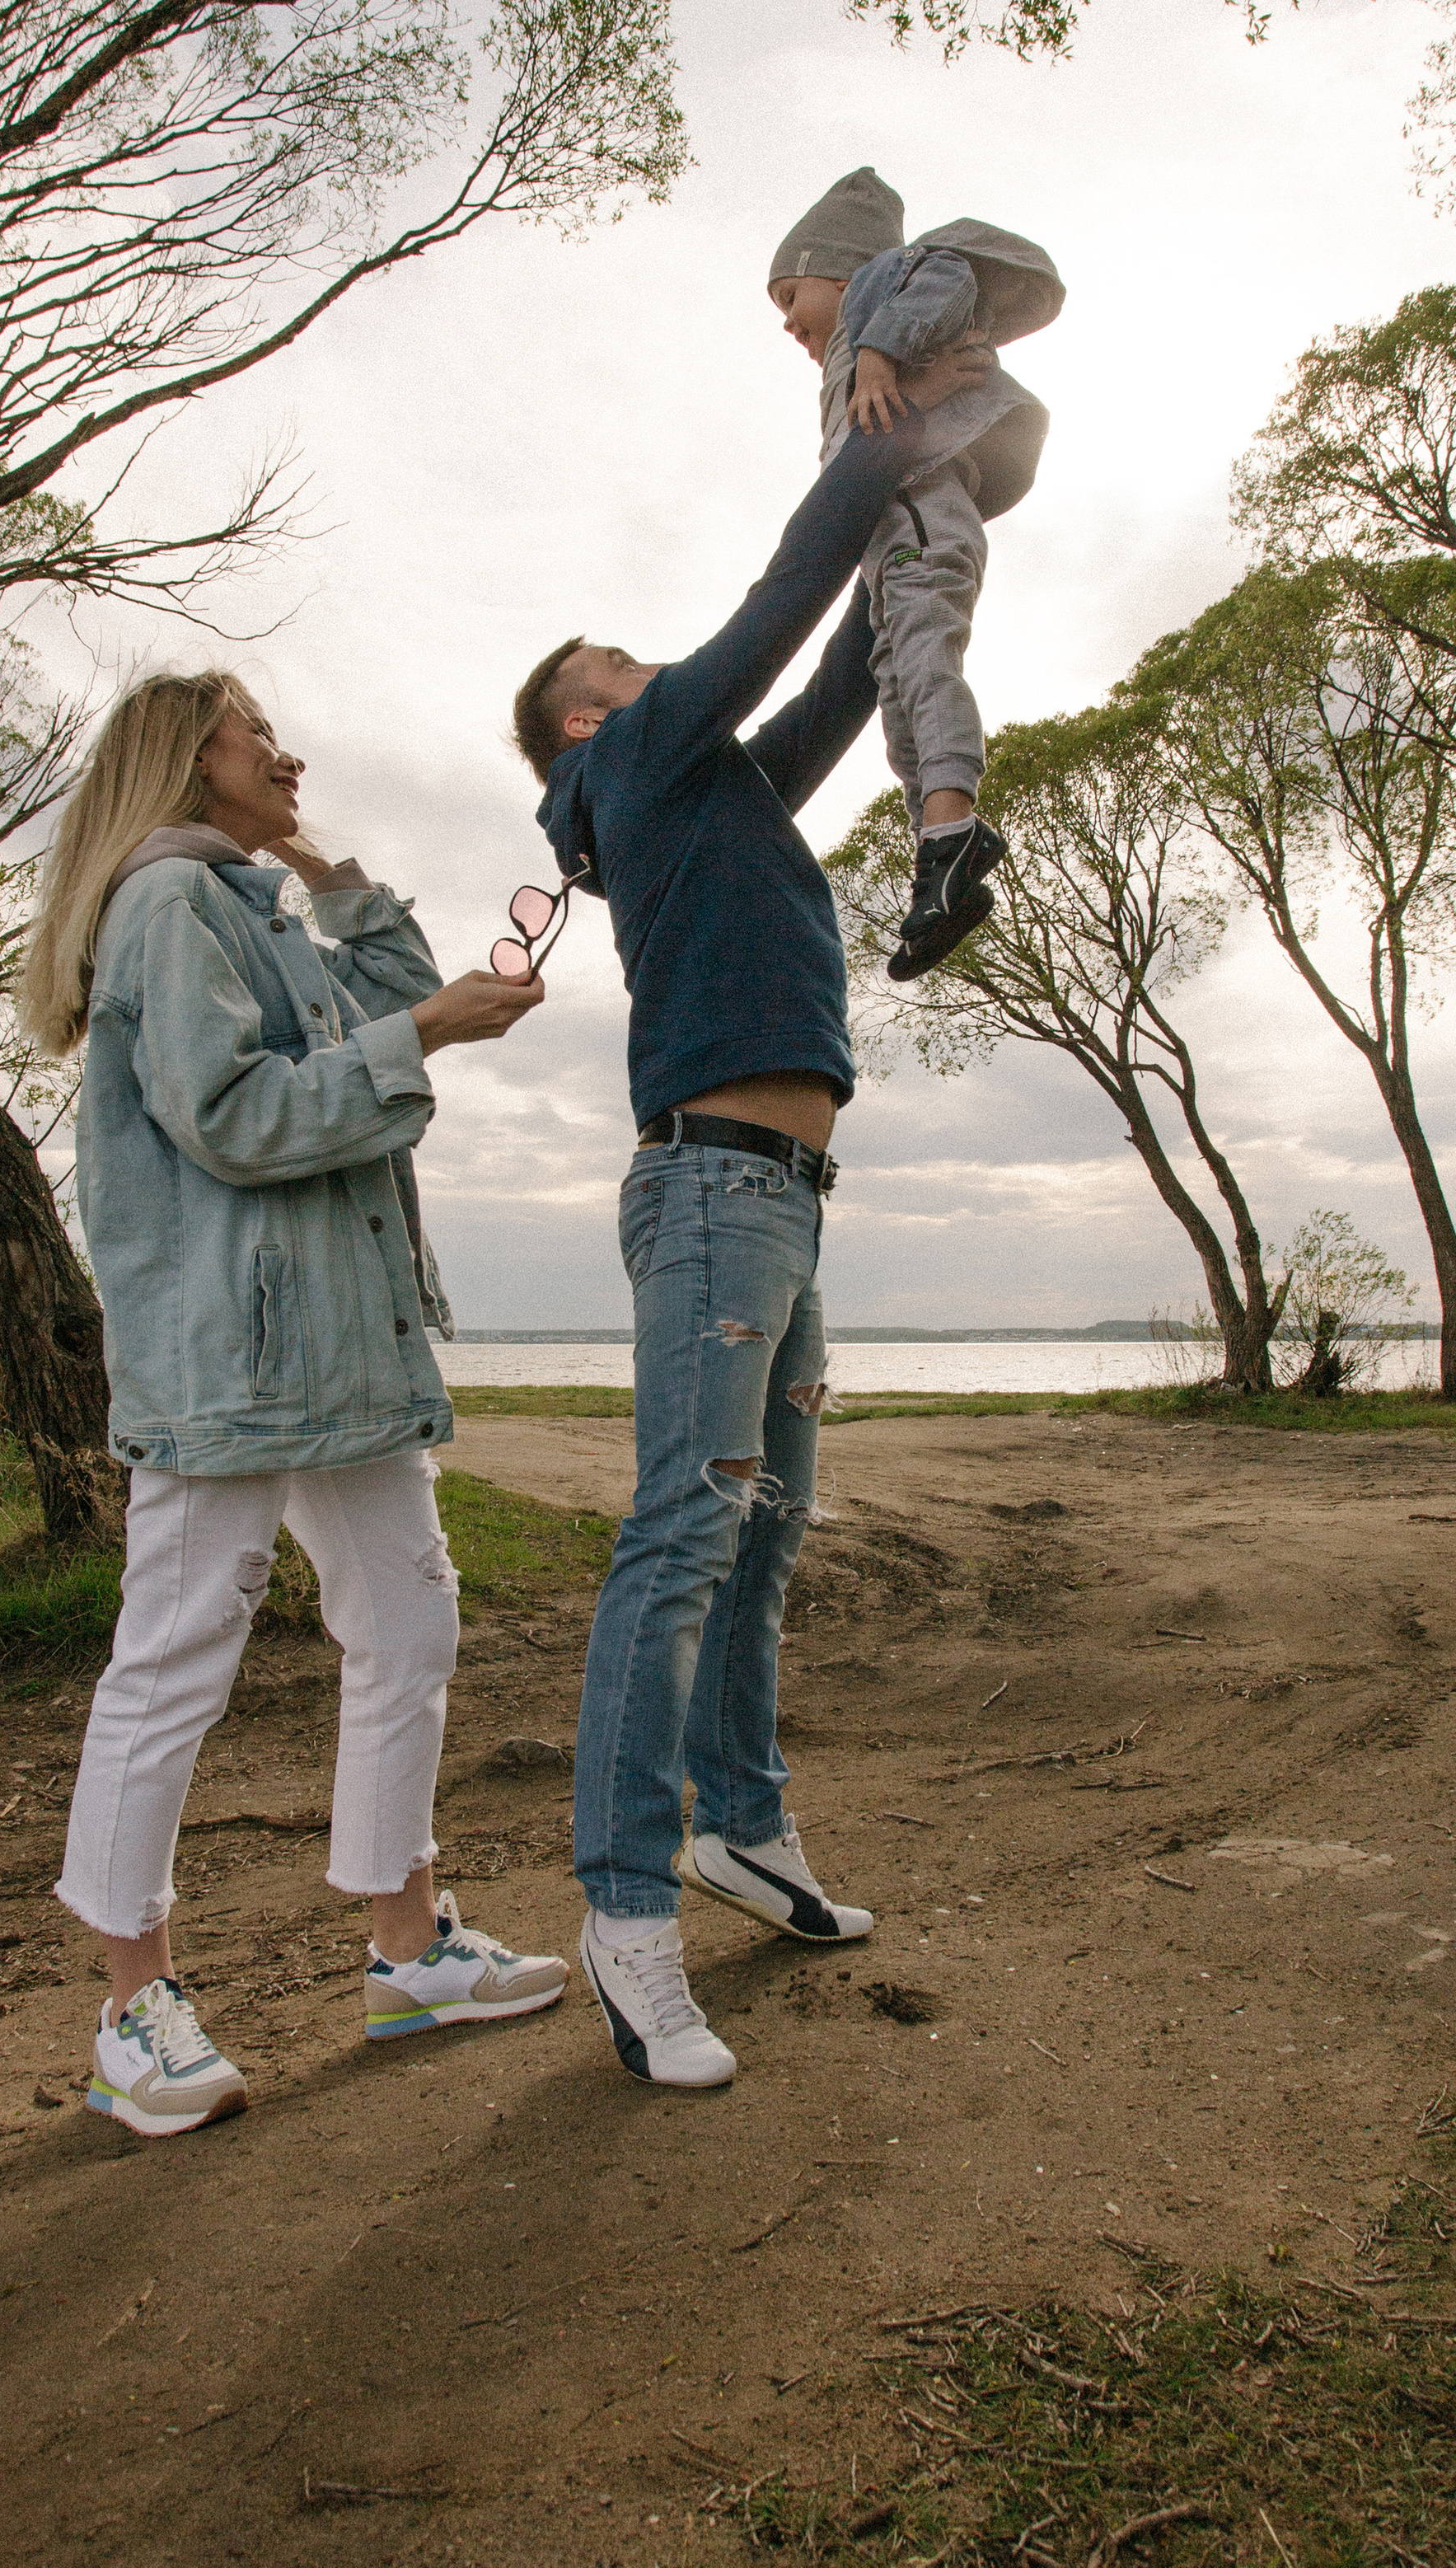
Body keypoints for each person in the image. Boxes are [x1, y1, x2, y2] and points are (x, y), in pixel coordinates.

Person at [508, 346, 992, 2088]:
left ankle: (742, 1828)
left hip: (780, 1197)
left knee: (766, 1532)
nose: (651, 671)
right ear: (587, 720)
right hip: (713, 1188)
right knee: (681, 1538)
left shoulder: (709, 790)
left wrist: (927, 529)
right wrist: (877, 448)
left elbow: (839, 675)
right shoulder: (637, 761)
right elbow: (773, 612)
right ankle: (625, 1902)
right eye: (621, 666)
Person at [18, 669, 567, 2136]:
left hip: (342, 1351)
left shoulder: (253, 906)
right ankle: (132, 2011)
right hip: (234, 1357)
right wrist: (422, 1032)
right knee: (175, 1656)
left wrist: (329, 876)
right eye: (258, 734)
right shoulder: (168, 906)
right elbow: (239, 1117)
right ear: (186, 756)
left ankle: (410, 1953)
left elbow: (392, 1004)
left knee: (410, 1624)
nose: (290, 751)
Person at [769, 165, 1065, 981]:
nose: (786, 321)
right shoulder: (846, 350)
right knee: (897, 687)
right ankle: (938, 857)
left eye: (789, 296)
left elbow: (946, 274)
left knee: (926, 659)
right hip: (891, 542)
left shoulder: (885, 287)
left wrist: (877, 355)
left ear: (840, 274)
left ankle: (953, 829)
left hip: (926, 514)